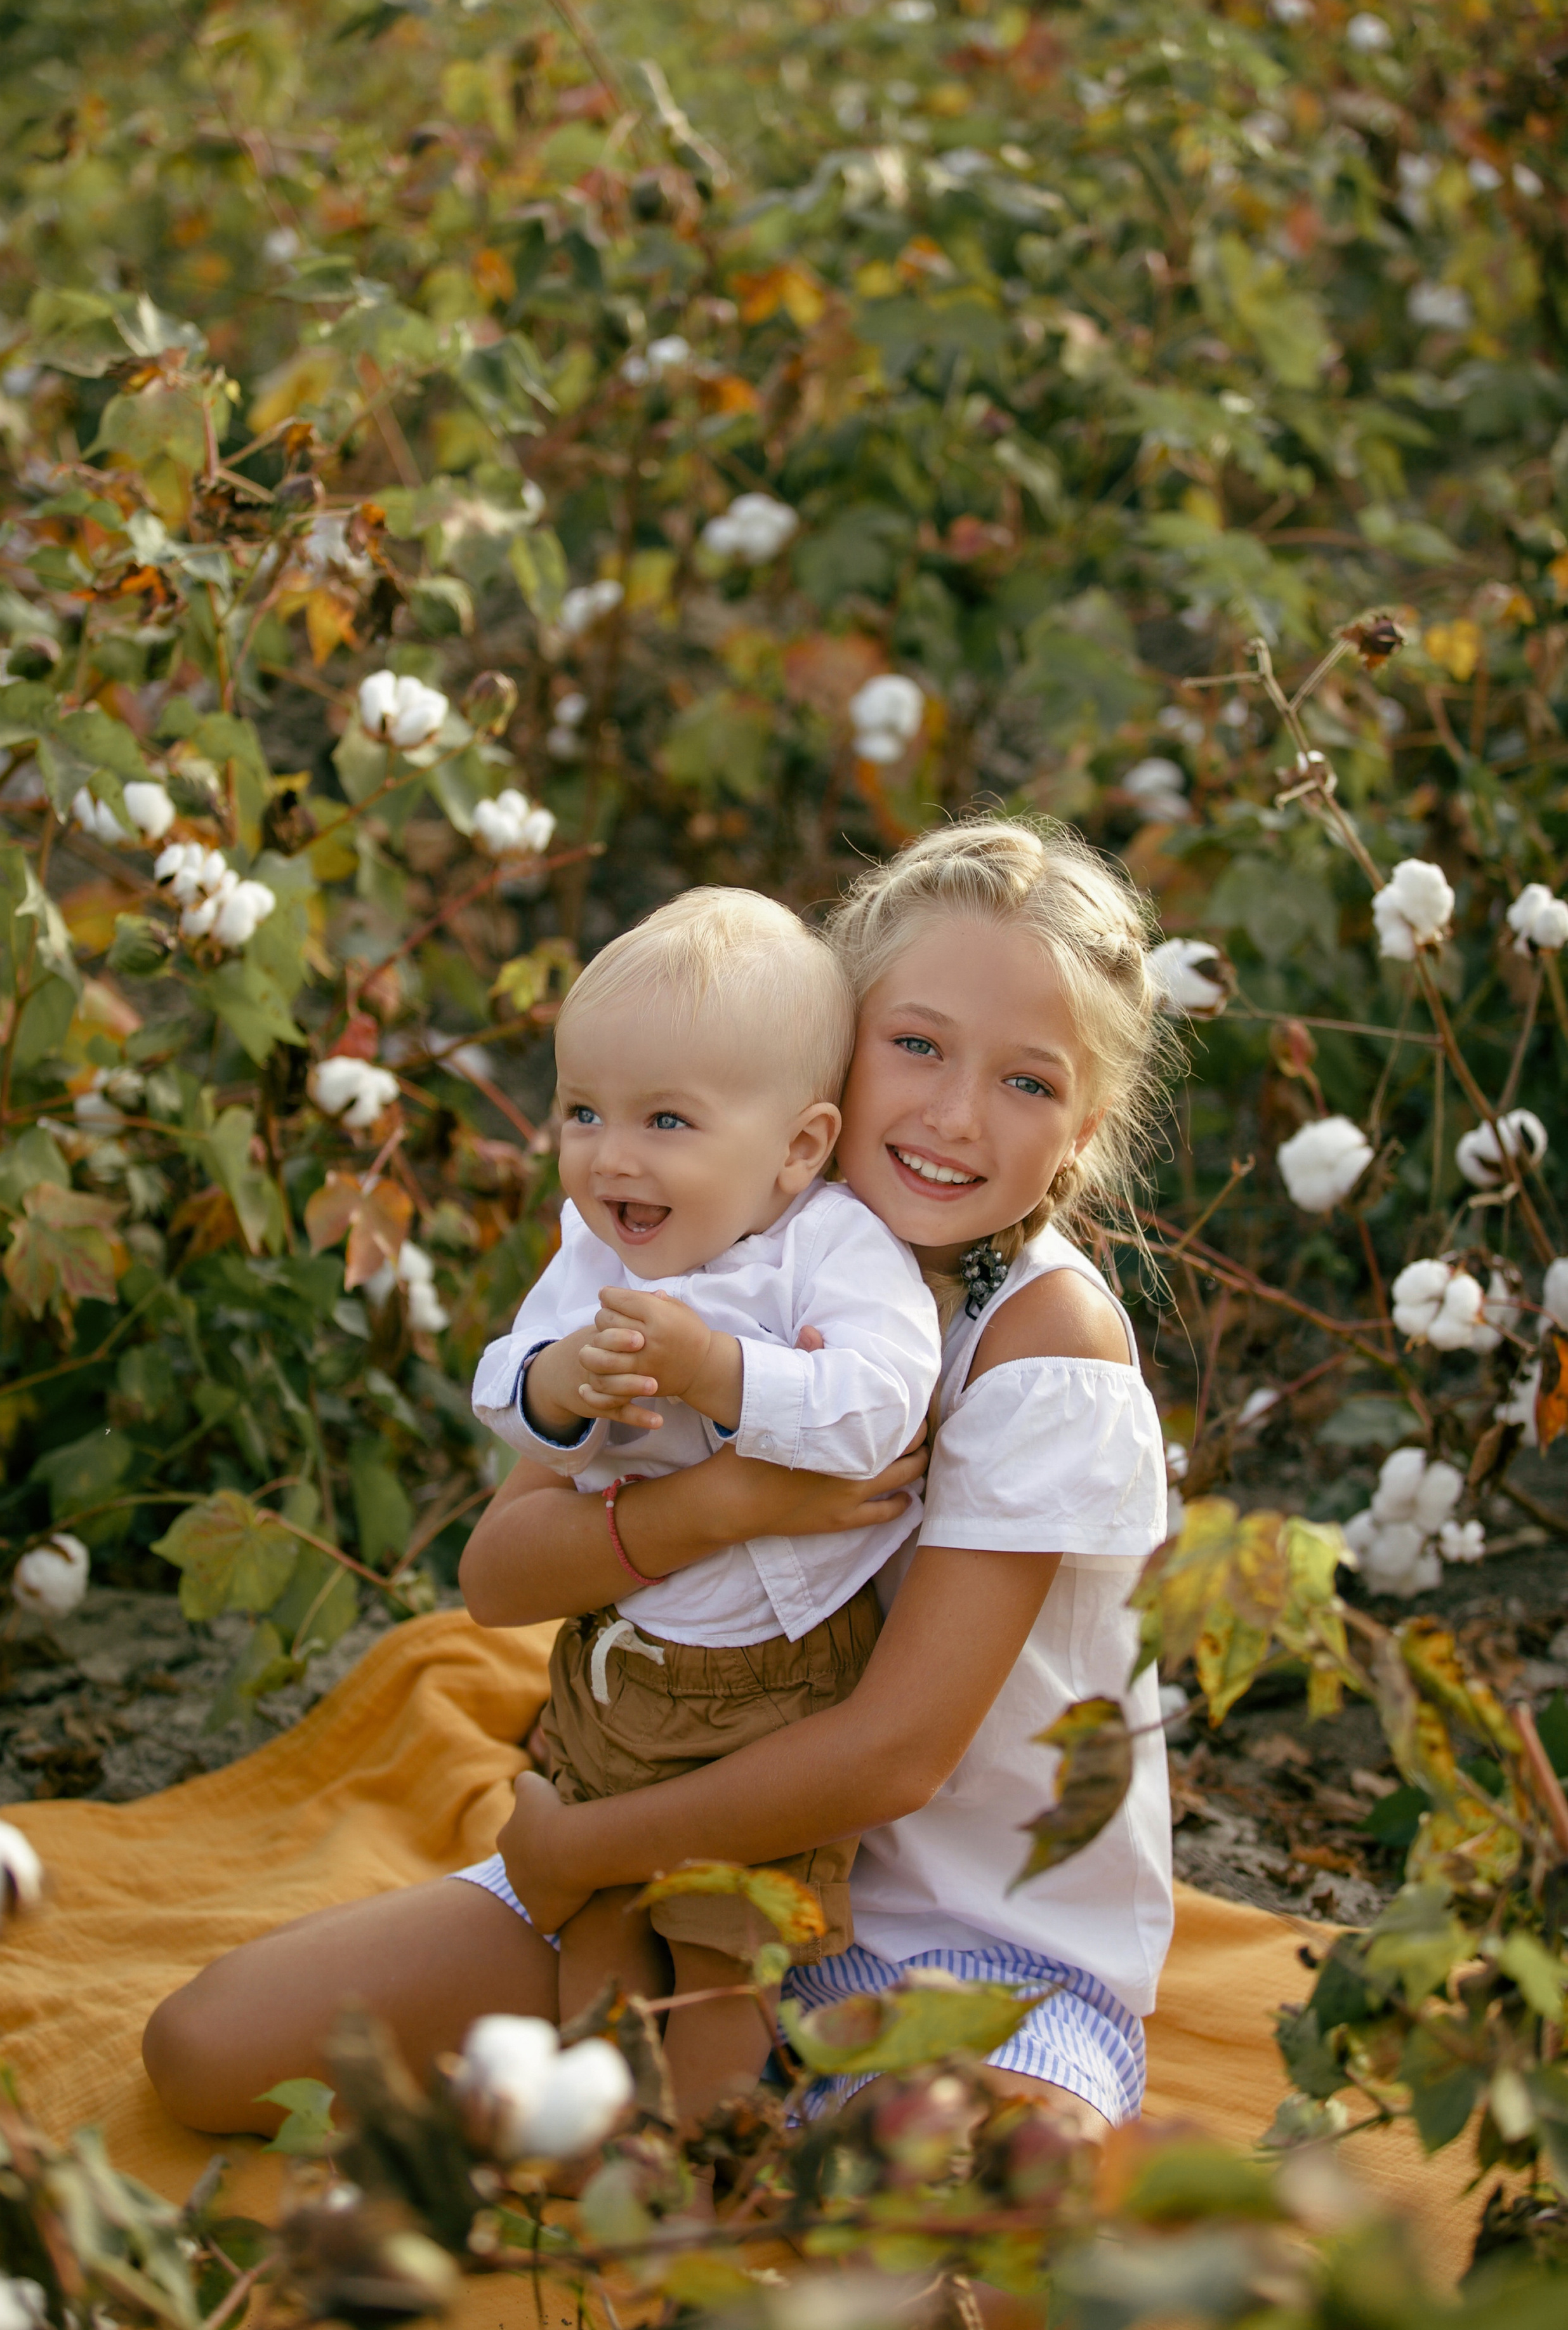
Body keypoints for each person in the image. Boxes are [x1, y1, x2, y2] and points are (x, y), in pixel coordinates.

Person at [143, 817, 1173, 2144]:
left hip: (960, 1946)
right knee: (207, 2050)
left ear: (1083, 1131)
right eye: (915, 1045)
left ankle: (742, 2119)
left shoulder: (1043, 1343)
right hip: (665, 1858)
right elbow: (498, 1573)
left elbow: (898, 1755)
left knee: (957, 2187)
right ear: (827, 1057)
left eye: (1027, 1082)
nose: (953, 1114)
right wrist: (728, 1503)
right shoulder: (700, 1239)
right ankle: (703, 2105)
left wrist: (577, 1848)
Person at [469, 886, 941, 2123]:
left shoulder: (829, 1251)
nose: (611, 1156)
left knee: (721, 1961)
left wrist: (717, 1373)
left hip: (766, 1693)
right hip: (614, 1668)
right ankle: (598, 2142)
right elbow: (503, 1387)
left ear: (796, 1147)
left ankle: (707, 2159)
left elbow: (877, 1409)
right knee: (600, 1936)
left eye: (666, 1120)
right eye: (583, 1112)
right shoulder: (596, 1254)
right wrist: (556, 1388)